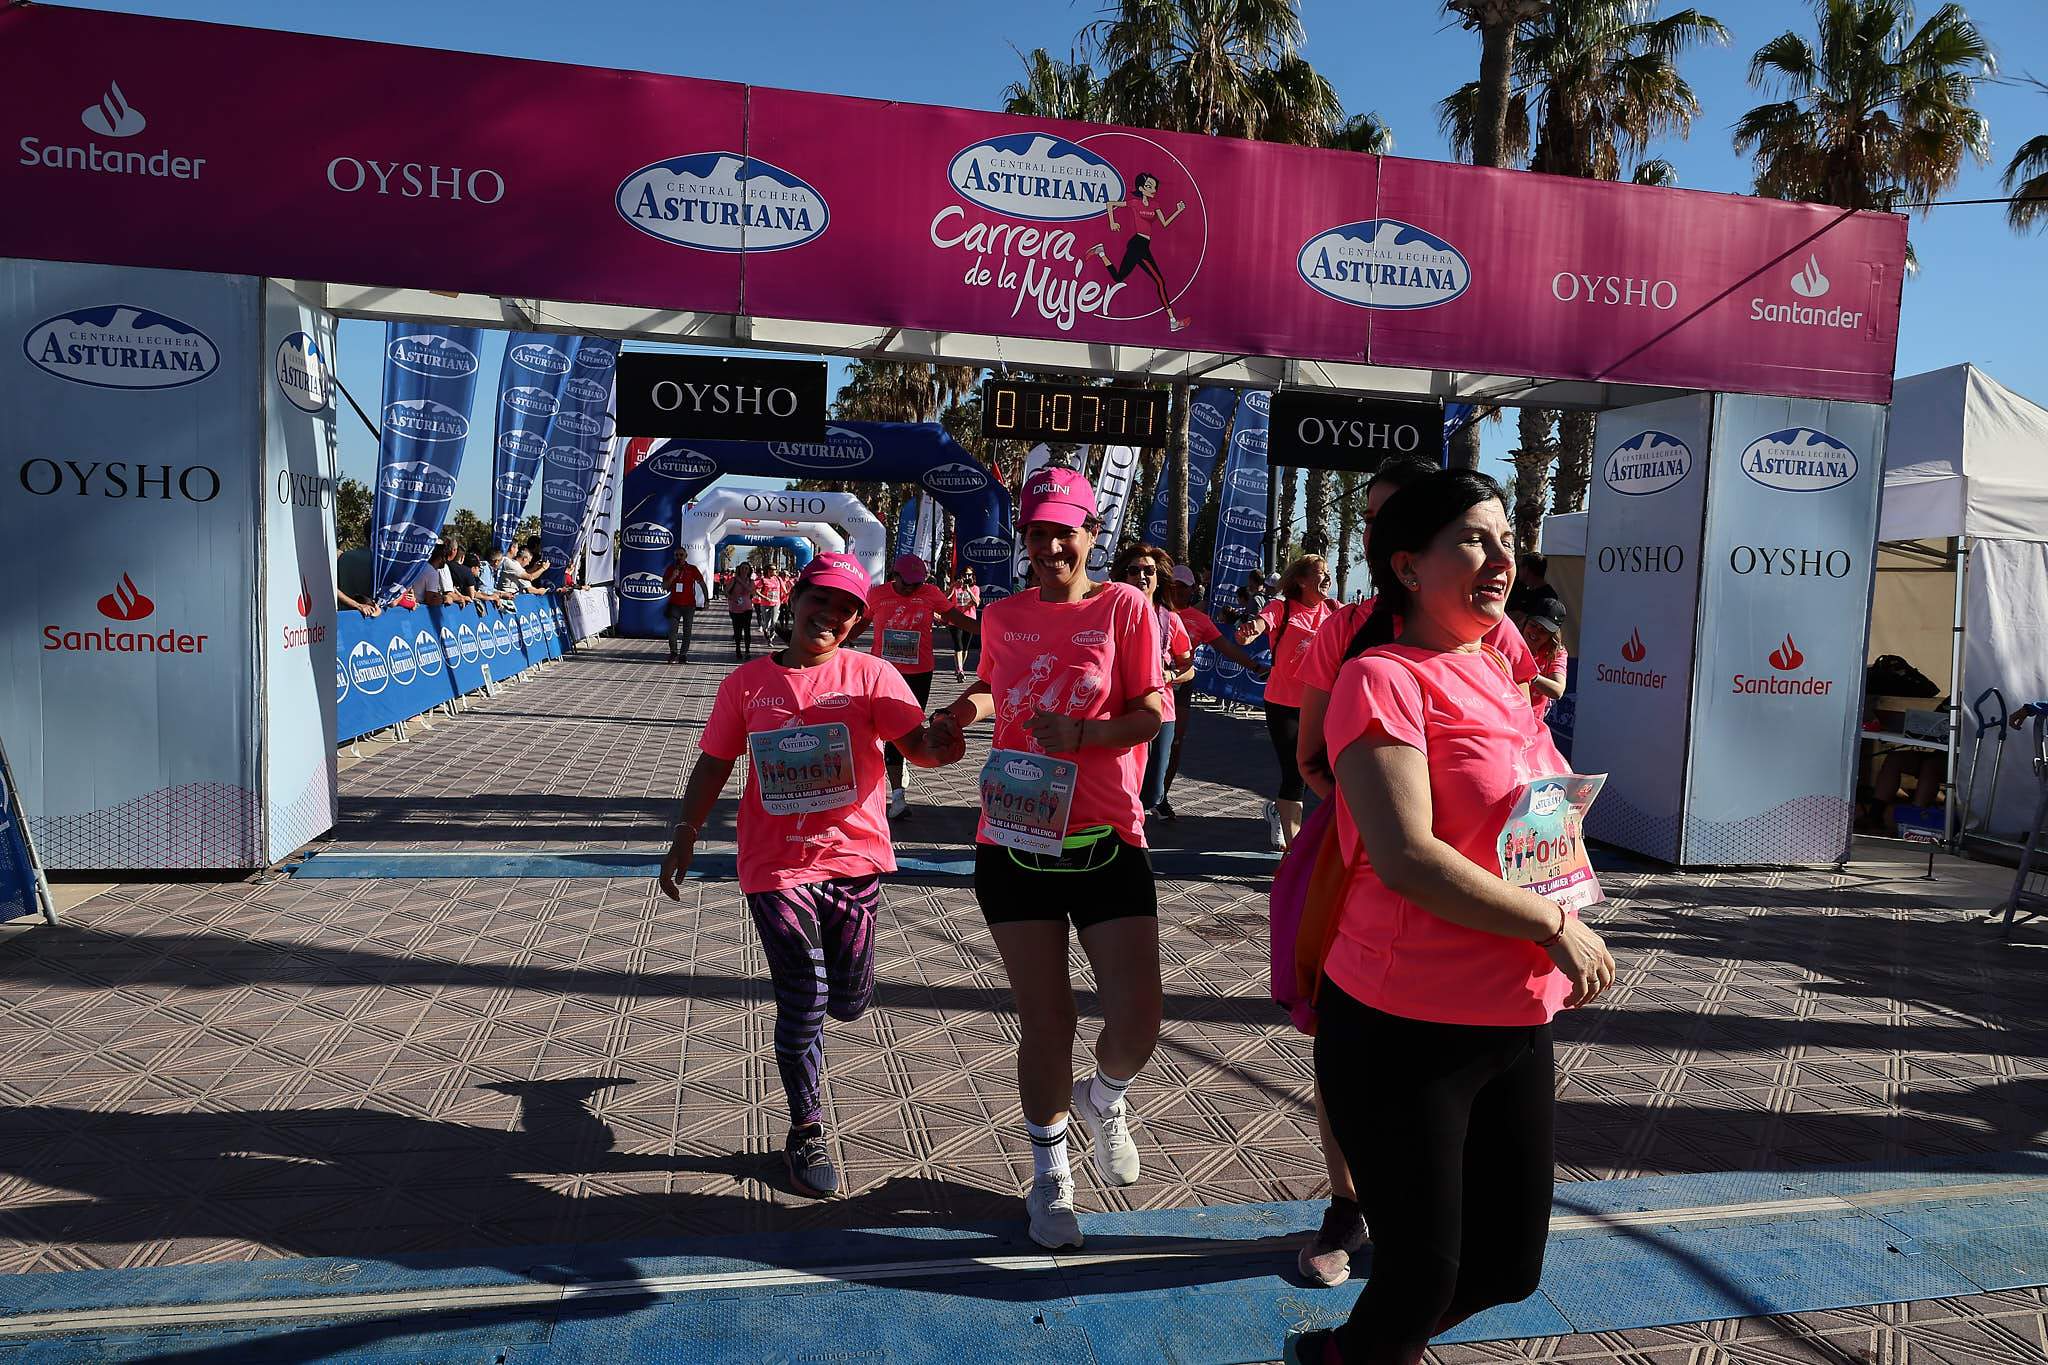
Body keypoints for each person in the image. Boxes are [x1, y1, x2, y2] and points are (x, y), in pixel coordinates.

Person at [1280, 470, 1615, 1365]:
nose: (1500, 558)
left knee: (1509, 1267)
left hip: (1514, 1016)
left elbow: (1531, 824)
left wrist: (1570, 909)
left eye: (1506, 539)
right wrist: (1552, 929)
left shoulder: (1502, 673)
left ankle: (1344, 1354)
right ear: (1406, 565)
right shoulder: (1380, 680)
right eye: (1472, 539)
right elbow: (1408, 856)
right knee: (1420, 1276)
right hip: (1402, 1027)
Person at [657, 553, 964, 1198]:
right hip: (773, 863)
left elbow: (921, 752)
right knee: (804, 988)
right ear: (795, 600)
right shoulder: (746, 684)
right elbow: (714, 764)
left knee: (847, 995)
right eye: (821, 600)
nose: (831, 615)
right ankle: (808, 1127)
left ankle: (846, 993)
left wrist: (949, 735)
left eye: (847, 608)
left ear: (857, 620)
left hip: (854, 860)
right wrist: (685, 838)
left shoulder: (874, 676)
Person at [927, 467, 1164, 1251]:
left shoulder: (1126, 607)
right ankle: (1049, 1174)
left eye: (1066, 530)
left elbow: (1152, 712)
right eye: (1038, 532)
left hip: (1105, 837)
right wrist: (959, 712)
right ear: (1023, 540)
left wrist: (1090, 736)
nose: (1052, 544)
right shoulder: (1003, 613)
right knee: (1049, 1017)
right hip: (1016, 838)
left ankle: (1108, 1096)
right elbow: (997, 687)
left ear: (1092, 533)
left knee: (1138, 1018)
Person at [861, 554, 978, 819]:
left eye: (917, 584)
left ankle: (898, 765)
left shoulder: (931, 593)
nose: (912, 589)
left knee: (906, 729)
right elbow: (860, 624)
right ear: (895, 575)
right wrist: (837, 643)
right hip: (883, 672)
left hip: (920, 672)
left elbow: (955, 618)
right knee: (887, 731)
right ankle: (897, 796)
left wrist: (991, 631)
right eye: (907, 584)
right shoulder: (877, 595)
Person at [1237, 555, 1337, 850]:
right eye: (1321, 573)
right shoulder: (1283, 608)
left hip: (1320, 704)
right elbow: (1261, 623)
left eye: (1329, 572)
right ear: (1301, 581)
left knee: (1322, 770)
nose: (1327, 577)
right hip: (1283, 704)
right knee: (1295, 771)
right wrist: (1249, 630)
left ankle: (1276, 812)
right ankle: (1294, 850)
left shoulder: (1333, 611)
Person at [1155, 565, 1266, 820]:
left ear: (1193, 589)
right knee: (1145, 742)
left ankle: (1162, 797)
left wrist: (1255, 666)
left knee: (1174, 744)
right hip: (1153, 684)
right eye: (1174, 586)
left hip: (1180, 685)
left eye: (1184, 587)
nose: (1179, 592)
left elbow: (1226, 647)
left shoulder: (1199, 620)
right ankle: (1141, 793)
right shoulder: (1154, 610)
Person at [1111, 543, 1194, 821]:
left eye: (1149, 570)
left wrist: (1170, 675)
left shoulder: (1169, 619)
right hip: (1116, 709)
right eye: (1134, 570)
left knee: (1152, 792)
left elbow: (1188, 668)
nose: (1142, 576)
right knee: (1120, 784)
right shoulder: (1108, 612)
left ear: (1159, 579)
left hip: (1160, 711)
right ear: (1123, 575)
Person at [1087, 171, 1192, 333]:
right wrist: (1112, 222)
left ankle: (1101, 252)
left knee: (1118, 277)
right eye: (1149, 186)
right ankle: (1172, 321)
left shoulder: (1155, 205)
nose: (1153, 189)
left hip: (1142, 245)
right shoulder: (1135, 203)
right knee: (1160, 281)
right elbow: (1110, 204)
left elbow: (1164, 223)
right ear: (1141, 188)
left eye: (1154, 187)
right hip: (1137, 245)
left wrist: (1178, 211)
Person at [1521, 602, 1569, 723]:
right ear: (1525, 622)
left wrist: (1530, 675)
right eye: (1533, 625)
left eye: (1543, 630)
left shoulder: (1557, 653)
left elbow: (1558, 690)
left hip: (1532, 723)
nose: (1535, 632)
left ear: (1552, 635)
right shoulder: (1509, 639)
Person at [662, 550, 707, 664]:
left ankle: (683, 654)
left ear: (686, 556)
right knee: (672, 632)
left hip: (689, 605)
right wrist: (673, 576)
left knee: (687, 631)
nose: (679, 557)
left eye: (681, 555)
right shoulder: (670, 569)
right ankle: (673, 652)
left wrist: (707, 599)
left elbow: (702, 583)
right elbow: (665, 587)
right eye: (676, 555)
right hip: (674, 604)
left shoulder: (692, 569)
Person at [948, 568, 981, 679]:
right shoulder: (956, 587)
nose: (967, 577)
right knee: (958, 645)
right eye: (965, 575)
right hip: (956, 620)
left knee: (965, 647)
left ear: (972, 576)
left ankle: (960, 666)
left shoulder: (975, 588)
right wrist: (953, 586)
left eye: (969, 575)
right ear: (961, 576)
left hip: (969, 620)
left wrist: (968, 590)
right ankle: (960, 670)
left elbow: (976, 603)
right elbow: (945, 598)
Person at [725, 562, 757, 660]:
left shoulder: (751, 581)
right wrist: (733, 598)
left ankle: (747, 650)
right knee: (737, 630)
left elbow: (752, 592)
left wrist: (742, 582)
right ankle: (738, 649)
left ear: (749, 571)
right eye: (743, 568)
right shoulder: (733, 580)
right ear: (739, 569)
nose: (744, 570)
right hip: (735, 608)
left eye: (746, 569)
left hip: (747, 608)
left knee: (747, 630)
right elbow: (726, 592)